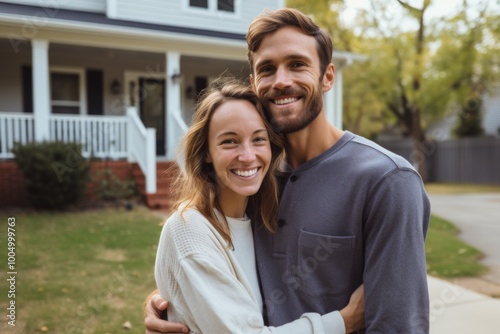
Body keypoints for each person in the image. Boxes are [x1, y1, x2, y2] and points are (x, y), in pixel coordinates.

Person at [146, 7, 430, 333]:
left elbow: (397, 325)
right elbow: (216, 269)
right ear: (254, 84)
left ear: (327, 76)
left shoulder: (387, 181)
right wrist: (171, 301)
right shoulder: (255, 180)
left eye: (297, 64)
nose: (281, 81)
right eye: (267, 69)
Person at [153, 77, 365, 334]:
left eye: (258, 139)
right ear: (206, 151)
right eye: (229, 141)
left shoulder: (259, 221)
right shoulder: (188, 231)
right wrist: (345, 321)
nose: (247, 156)